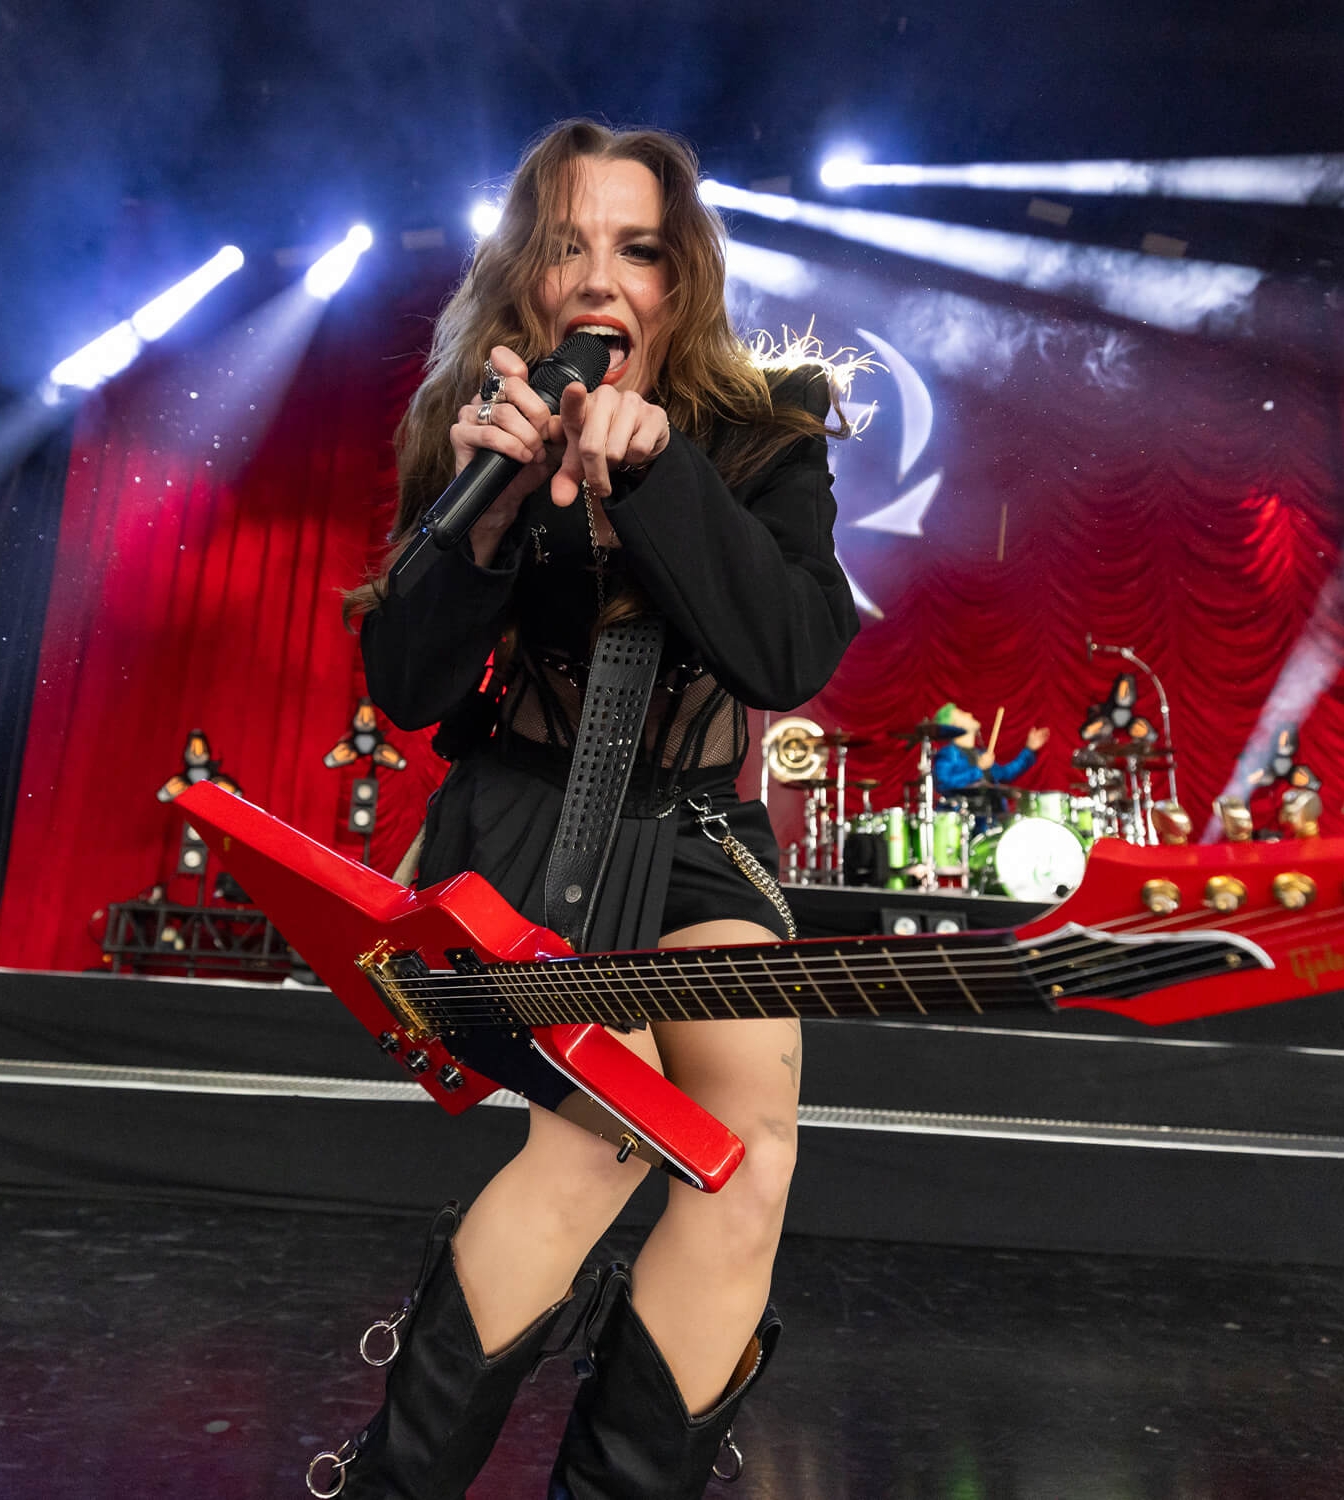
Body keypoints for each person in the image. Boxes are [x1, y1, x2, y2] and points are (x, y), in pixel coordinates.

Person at [334, 118, 859, 1500]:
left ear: (682, 275)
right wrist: (488, 512)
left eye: (637, 247)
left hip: (692, 837)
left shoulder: (767, 434)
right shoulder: (474, 421)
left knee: (748, 1154)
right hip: (525, 828)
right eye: (568, 244)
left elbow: (786, 656)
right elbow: (406, 682)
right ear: (526, 268)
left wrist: (661, 471)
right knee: (608, 1119)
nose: (602, 277)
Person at [929, 702, 1048, 795]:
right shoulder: (949, 753)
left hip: (988, 819)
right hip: (962, 821)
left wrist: (1029, 749)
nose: (969, 713)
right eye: (962, 713)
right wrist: (979, 769)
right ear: (953, 725)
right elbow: (943, 784)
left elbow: (1006, 773)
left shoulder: (980, 754)